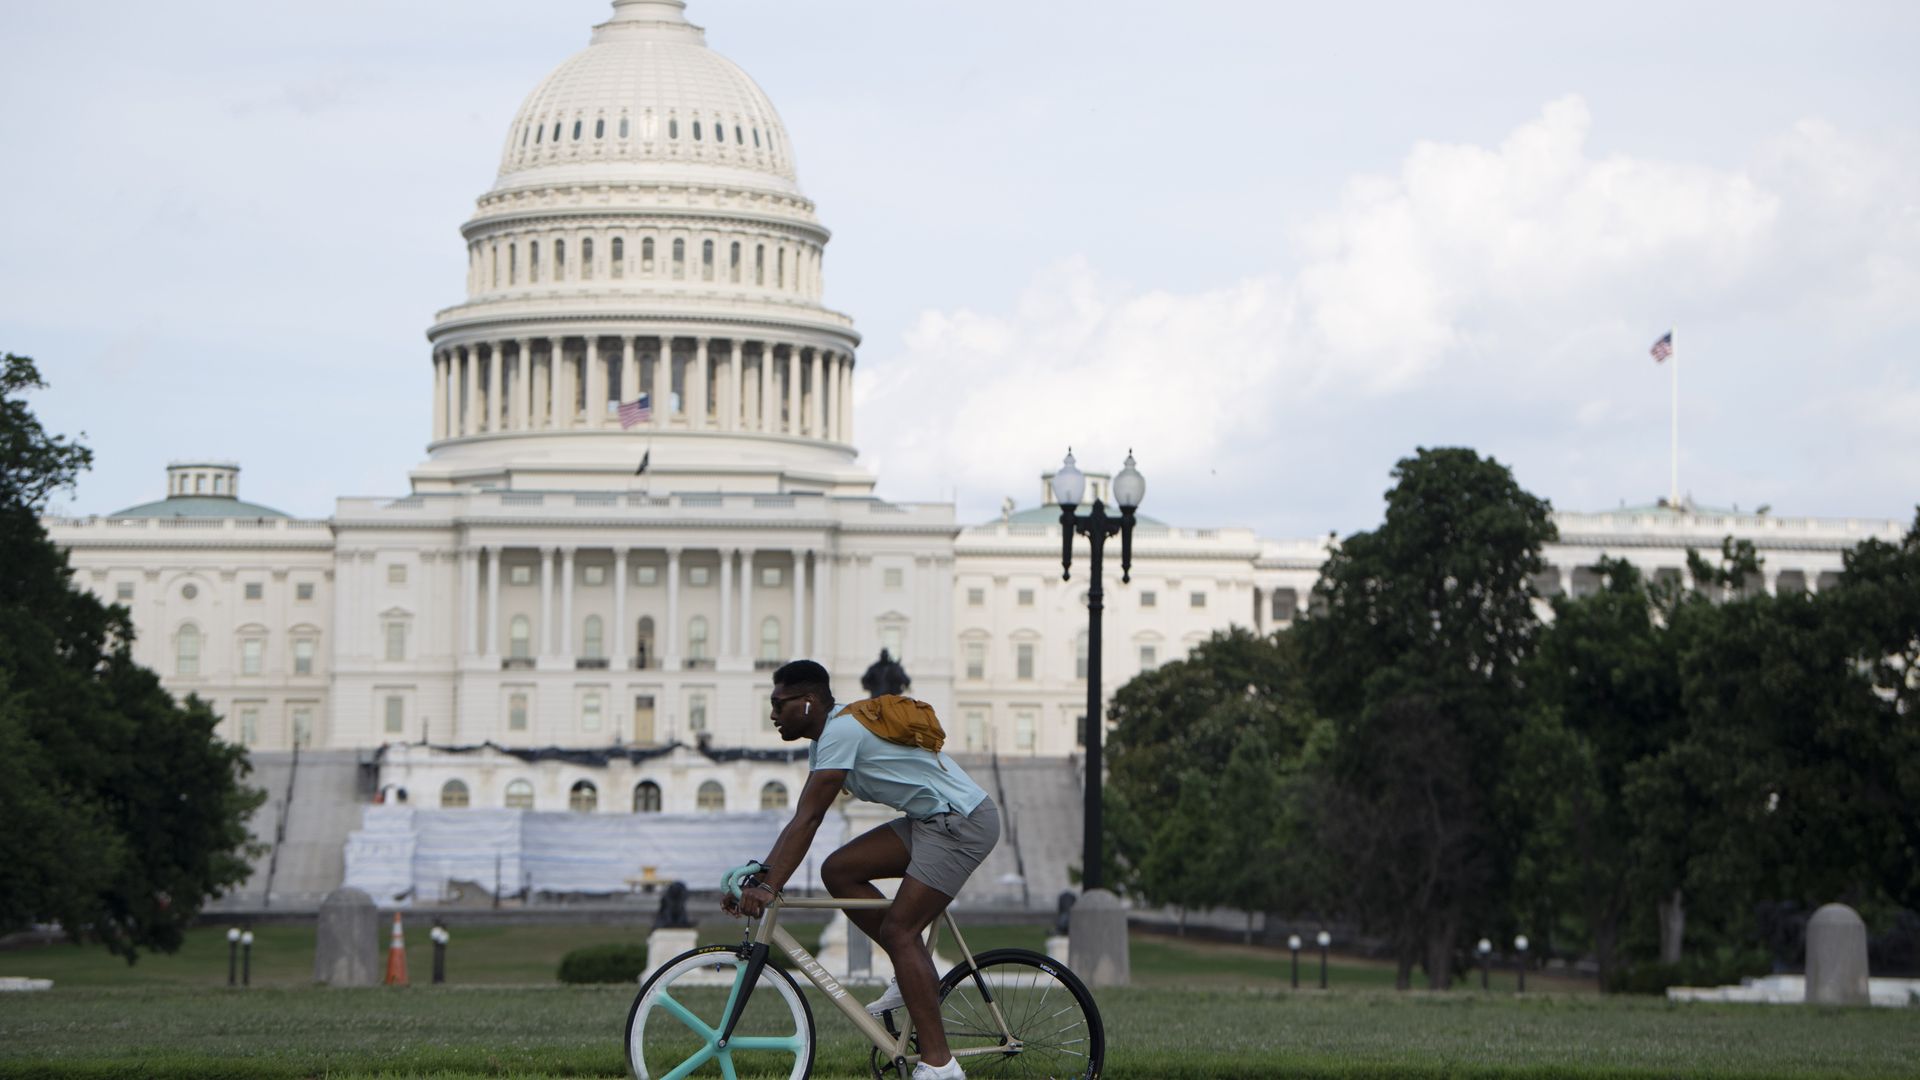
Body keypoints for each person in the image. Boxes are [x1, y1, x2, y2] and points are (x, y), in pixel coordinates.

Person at [724, 659, 998, 1080]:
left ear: (809, 702)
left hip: (961, 823)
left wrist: (770, 885)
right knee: (839, 872)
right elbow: (801, 818)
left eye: (779, 704)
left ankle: (941, 1067)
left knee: (899, 931)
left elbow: (809, 820)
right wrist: (762, 878)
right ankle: (912, 974)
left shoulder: (841, 732)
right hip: (931, 822)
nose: (773, 714)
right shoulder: (829, 738)